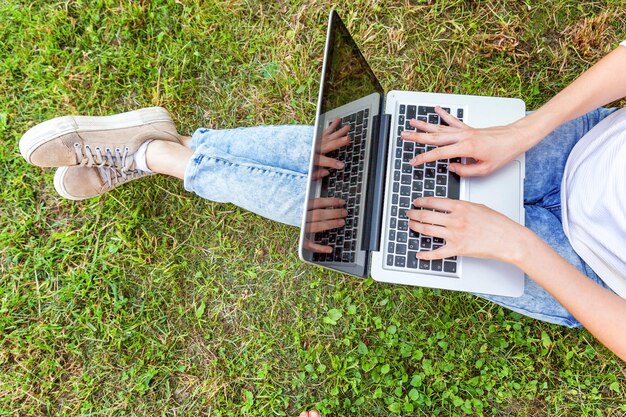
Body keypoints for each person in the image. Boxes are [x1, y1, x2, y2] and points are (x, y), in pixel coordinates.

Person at [18, 41, 626, 362]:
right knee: (384, 153)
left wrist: (515, 245)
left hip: (583, 271)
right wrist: (527, 128)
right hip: (580, 144)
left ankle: (160, 153)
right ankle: (159, 154)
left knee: (371, 224)